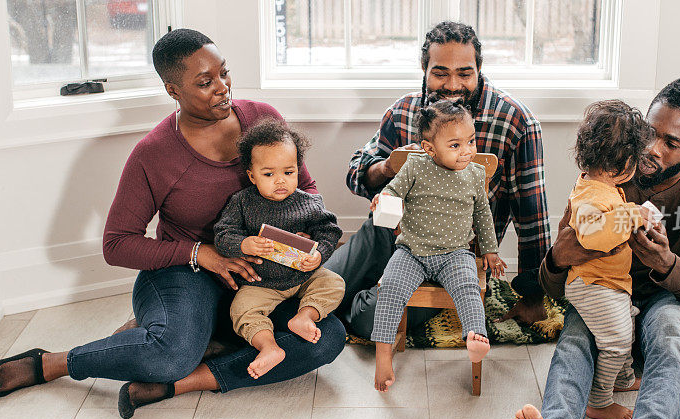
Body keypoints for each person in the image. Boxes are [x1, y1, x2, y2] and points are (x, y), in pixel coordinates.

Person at [0, 29, 346, 419]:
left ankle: (184, 379)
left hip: (263, 281)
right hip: (185, 273)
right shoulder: (153, 154)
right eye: (204, 82)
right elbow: (117, 244)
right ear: (172, 89)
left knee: (327, 339)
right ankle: (50, 363)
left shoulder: (263, 119)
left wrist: (305, 237)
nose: (222, 87)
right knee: (170, 353)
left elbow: (307, 189)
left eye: (224, 73)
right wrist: (202, 253)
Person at [512, 78, 680, 419]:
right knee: (577, 336)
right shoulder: (608, 170)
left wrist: (666, 263)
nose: (652, 148)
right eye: (650, 133)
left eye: (671, 142)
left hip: (670, 303)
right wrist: (560, 256)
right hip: (609, 299)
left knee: (669, 331)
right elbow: (553, 285)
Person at [327, 21, 551, 339]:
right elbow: (356, 174)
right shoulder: (402, 112)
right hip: (389, 233)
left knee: (370, 321)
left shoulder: (516, 122)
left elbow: (532, 217)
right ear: (424, 68)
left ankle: (352, 303)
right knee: (317, 288)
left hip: (452, 257)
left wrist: (533, 295)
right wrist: (387, 169)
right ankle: (334, 298)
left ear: (479, 69)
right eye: (440, 72)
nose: (452, 84)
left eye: (464, 73)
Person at [368, 99, 506, 391]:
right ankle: (383, 353)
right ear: (429, 148)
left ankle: (475, 337)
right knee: (391, 287)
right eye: (455, 145)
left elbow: (483, 215)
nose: (467, 150)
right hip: (412, 251)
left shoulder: (475, 174)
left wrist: (491, 251)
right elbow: (393, 190)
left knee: (468, 288)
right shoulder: (416, 167)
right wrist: (383, 197)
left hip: (456, 254)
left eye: (471, 141)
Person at [214, 119, 344, 379]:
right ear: (252, 175)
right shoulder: (242, 202)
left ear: (298, 169)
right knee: (241, 310)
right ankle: (269, 347)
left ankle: (304, 316)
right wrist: (243, 244)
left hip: (303, 278)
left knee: (334, 283)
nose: (280, 181)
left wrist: (318, 255)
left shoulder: (309, 202)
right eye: (269, 174)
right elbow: (222, 233)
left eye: (289, 172)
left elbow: (329, 231)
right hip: (261, 283)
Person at [564, 100, 653, 419]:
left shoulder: (601, 186)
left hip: (610, 283)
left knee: (626, 326)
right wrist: (632, 214)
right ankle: (599, 401)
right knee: (615, 340)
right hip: (592, 285)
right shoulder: (591, 195)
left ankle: (624, 379)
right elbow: (591, 235)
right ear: (626, 163)